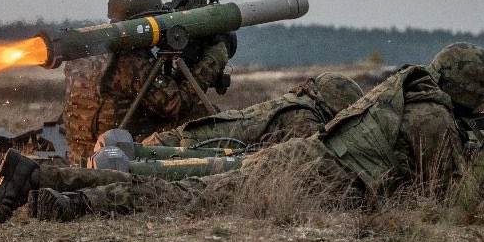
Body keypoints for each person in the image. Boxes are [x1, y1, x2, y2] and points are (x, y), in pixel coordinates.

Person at [0, 43, 484, 223]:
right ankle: (64, 198)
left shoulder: (420, 99)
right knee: (176, 198)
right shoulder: (431, 118)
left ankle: (40, 176)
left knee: (182, 189)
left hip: (301, 164)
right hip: (307, 180)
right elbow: (448, 208)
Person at [60, 0, 233, 164]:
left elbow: (155, 93)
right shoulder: (128, 61)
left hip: (81, 151)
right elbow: (177, 105)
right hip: (113, 155)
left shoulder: (88, 51)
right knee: (201, 116)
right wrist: (214, 58)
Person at [139, 71, 364, 150]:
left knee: (139, 150)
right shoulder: (303, 115)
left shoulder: (294, 100)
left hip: (201, 133)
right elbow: (311, 158)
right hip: (205, 145)